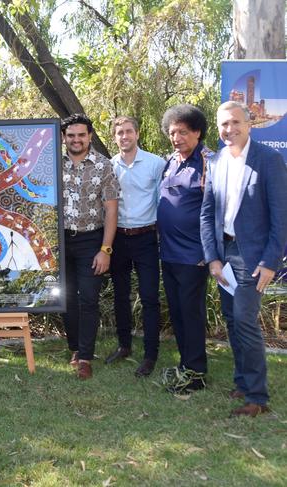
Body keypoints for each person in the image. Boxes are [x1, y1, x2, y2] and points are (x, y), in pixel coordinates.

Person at [201, 101, 287, 417]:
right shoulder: (217, 160)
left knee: (246, 321)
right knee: (233, 319)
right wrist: (212, 258)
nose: (229, 129)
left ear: (249, 124)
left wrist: (270, 262)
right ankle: (241, 381)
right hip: (225, 254)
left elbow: (281, 217)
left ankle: (257, 398)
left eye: (236, 122)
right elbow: (207, 212)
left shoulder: (270, 159)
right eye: (224, 124)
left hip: (253, 257)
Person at [157, 104, 212, 394]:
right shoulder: (171, 161)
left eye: (182, 132)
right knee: (177, 313)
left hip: (195, 256)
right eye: (172, 132)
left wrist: (210, 252)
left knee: (191, 314)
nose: (176, 137)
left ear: (197, 131)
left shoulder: (208, 162)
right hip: (169, 253)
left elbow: (216, 209)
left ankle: (196, 375)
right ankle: (185, 365)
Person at [60, 114, 119, 380]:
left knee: (89, 299)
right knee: (66, 298)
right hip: (60, 240)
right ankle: (74, 348)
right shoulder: (52, 163)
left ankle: (85, 357)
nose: (76, 139)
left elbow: (111, 210)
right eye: (71, 135)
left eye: (81, 135)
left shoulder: (103, 166)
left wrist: (105, 249)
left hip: (90, 241)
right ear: (64, 138)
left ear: (90, 136)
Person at [105, 116, 165, 377]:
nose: (124, 136)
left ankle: (151, 355)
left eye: (129, 131)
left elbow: (165, 201)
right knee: (120, 295)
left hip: (146, 238)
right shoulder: (109, 166)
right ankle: (124, 346)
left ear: (137, 134)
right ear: (115, 137)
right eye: (120, 133)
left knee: (150, 297)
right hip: (118, 238)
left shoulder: (155, 164)